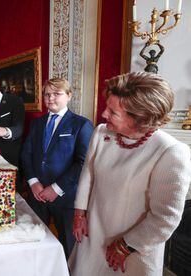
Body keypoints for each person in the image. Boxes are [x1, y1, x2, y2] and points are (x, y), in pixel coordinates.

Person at [70, 72, 191, 275]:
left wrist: (125, 246)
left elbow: (165, 217)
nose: (104, 114)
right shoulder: (101, 133)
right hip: (93, 234)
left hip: (132, 248)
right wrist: (79, 213)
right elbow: (88, 173)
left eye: (113, 112)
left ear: (141, 119)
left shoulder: (171, 152)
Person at [21, 78, 93, 257]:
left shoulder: (81, 124)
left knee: (69, 248)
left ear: (69, 96)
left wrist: (56, 188)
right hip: (37, 195)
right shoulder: (37, 123)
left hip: (66, 198)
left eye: (56, 94)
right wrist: (33, 182)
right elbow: (26, 154)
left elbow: (83, 163)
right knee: (34, 244)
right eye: (47, 94)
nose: (50, 98)